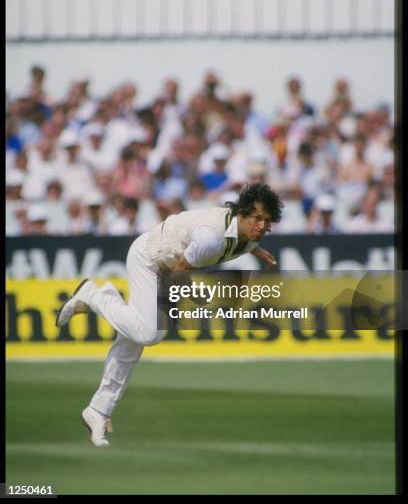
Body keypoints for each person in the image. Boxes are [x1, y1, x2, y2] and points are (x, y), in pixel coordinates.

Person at [56, 183, 284, 447]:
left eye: (267, 222)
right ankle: (93, 295)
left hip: (165, 264)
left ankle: (98, 410)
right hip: (149, 259)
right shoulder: (211, 239)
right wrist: (197, 294)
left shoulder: (246, 233)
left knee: (135, 341)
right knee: (149, 333)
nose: (261, 226)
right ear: (241, 214)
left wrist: (256, 249)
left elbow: (243, 239)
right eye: (256, 218)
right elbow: (178, 273)